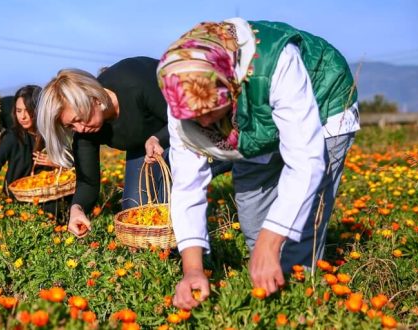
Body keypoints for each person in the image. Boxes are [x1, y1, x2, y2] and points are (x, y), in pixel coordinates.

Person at [156, 19, 359, 309]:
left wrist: (272, 241)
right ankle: (268, 289)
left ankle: (295, 306)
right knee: (254, 221)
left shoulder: (276, 64)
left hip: (324, 100)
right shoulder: (181, 90)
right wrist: (193, 269)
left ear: (232, 83)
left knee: (299, 231)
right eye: (194, 117)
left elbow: (305, 161)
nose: (202, 121)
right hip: (252, 130)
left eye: (211, 111)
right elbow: (188, 185)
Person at [36, 57, 172, 238]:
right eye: (70, 126)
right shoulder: (85, 133)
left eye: (77, 119)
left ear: (93, 98)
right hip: (146, 145)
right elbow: (88, 182)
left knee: (172, 194)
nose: (80, 129)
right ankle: (160, 257)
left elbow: (185, 118)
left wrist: (158, 138)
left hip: (198, 125)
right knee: (135, 214)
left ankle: (197, 251)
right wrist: (76, 209)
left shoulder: (135, 81)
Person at [0, 85, 66, 217]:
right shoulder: (13, 137)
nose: (22, 116)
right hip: (16, 202)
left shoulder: (53, 136)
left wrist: (57, 163)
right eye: (19, 111)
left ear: (39, 110)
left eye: (28, 110)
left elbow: (74, 165)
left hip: (48, 200)